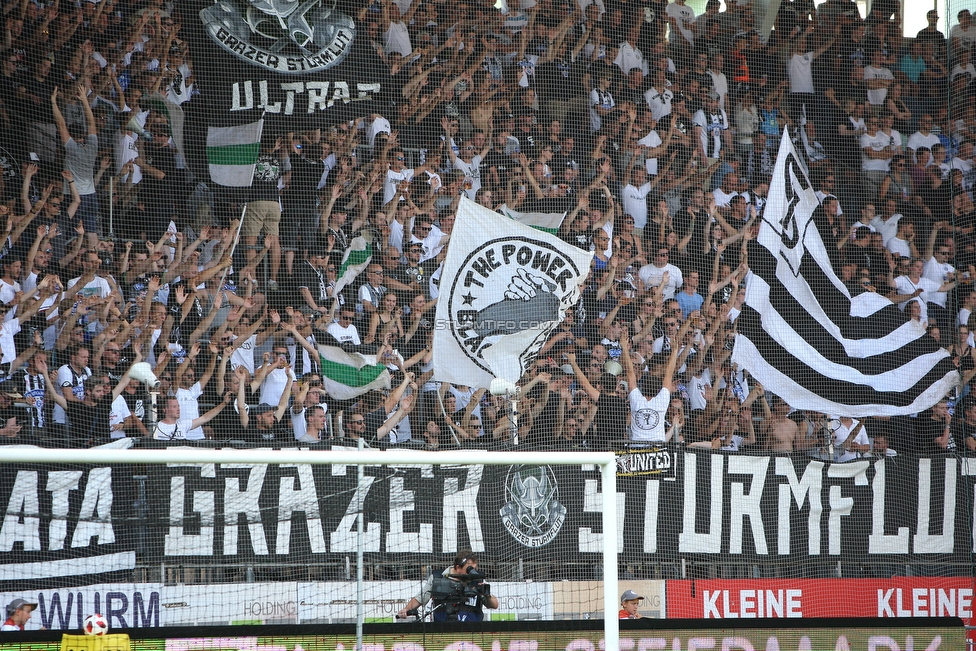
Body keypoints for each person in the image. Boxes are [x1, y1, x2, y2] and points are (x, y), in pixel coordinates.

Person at [396, 551, 499, 622]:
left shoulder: (477, 580)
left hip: (473, 633)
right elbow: (420, 598)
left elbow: (494, 605)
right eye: (469, 569)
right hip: (442, 632)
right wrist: (406, 609)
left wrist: (486, 595)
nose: (473, 572)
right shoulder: (437, 578)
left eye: (475, 569)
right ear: (458, 567)